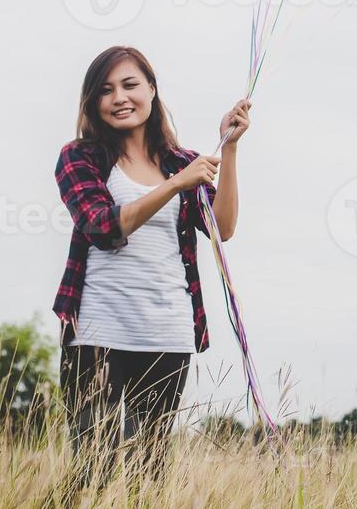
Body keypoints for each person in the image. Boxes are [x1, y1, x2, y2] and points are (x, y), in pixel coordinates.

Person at [51, 44, 250, 490]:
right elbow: (103, 227)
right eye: (105, 90)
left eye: (129, 85)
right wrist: (178, 184)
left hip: (166, 332)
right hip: (96, 335)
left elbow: (223, 228)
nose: (119, 97)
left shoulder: (180, 162)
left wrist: (230, 150)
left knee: (151, 474)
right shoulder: (79, 158)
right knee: (91, 472)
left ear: (152, 90)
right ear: (93, 103)